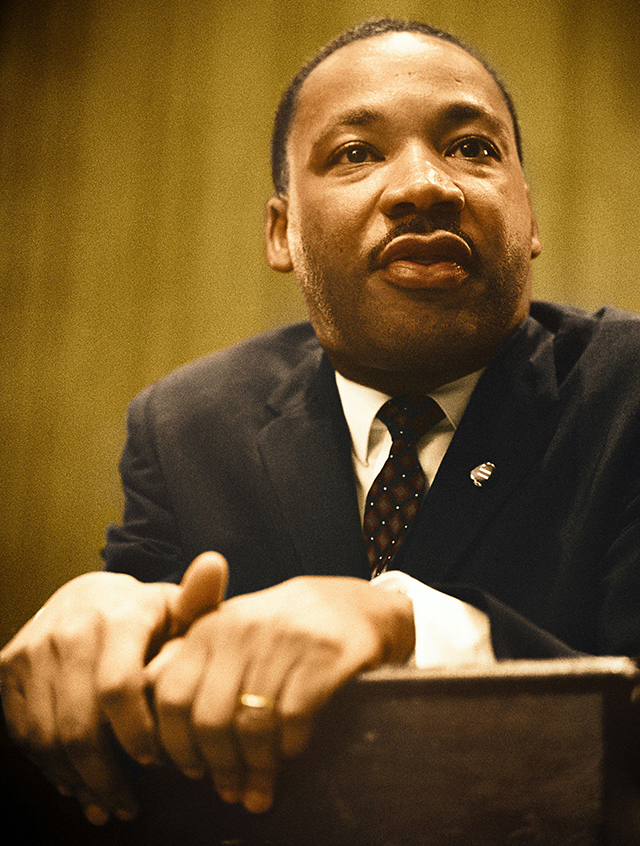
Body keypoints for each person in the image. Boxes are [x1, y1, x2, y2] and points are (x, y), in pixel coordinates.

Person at [3, 15, 640, 834]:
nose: (425, 185)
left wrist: (401, 623)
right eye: (355, 153)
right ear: (282, 233)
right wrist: (103, 617)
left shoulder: (626, 391)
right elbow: (141, 696)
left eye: (473, 148)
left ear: (531, 216)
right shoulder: (189, 424)